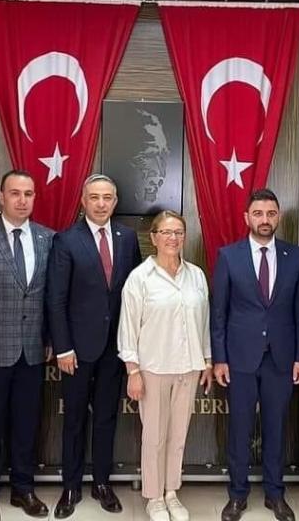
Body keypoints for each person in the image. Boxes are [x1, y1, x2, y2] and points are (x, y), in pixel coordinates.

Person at [46, 174, 142, 519]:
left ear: (115, 202)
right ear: (83, 201)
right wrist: (63, 348)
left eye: (107, 198)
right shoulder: (66, 240)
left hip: (115, 348)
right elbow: (55, 299)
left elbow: (135, 294)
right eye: (95, 197)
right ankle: (71, 487)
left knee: (106, 417)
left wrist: (133, 347)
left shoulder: (128, 238)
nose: (101, 204)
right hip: (76, 349)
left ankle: (102, 483)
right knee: (73, 419)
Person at [212, 188, 299, 521]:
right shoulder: (229, 256)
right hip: (239, 358)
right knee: (239, 429)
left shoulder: (294, 256)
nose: (264, 219)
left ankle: (275, 494)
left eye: (270, 213)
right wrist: (220, 358)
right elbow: (219, 312)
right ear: (247, 218)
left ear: (278, 216)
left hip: (281, 359)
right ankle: (237, 495)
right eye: (258, 213)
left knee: (276, 429)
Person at [118, 210, 214, 521]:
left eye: (178, 232)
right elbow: (128, 329)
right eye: (167, 232)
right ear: (154, 237)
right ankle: (154, 496)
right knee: (155, 436)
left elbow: (204, 323)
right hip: (153, 368)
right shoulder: (140, 278)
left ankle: (171, 491)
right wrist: (133, 371)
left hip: (188, 367)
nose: (173, 238)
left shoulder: (196, 275)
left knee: (178, 435)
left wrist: (207, 360)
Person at [0, 170, 54, 521]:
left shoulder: (48, 238)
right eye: (15, 193)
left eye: (29, 194)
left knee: (26, 423)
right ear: (1, 197)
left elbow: (52, 296)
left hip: (33, 349)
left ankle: (23, 488)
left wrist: (50, 338)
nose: (22, 200)